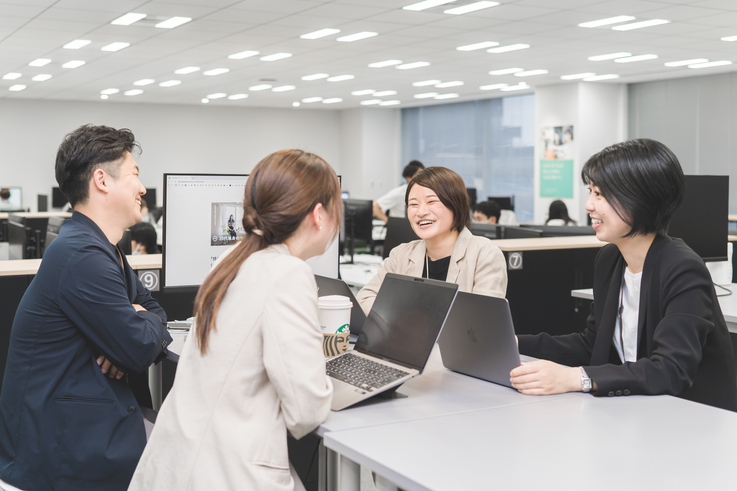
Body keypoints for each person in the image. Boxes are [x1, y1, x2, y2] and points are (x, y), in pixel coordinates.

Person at [129, 149, 338, 491]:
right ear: (318, 215)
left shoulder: (233, 257)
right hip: (224, 471)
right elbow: (306, 412)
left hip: (178, 462)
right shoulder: (288, 272)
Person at [0, 125, 172, 491]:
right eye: (135, 175)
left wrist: (137, 324)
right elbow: (139, 348)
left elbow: (155, 311)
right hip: (64, 449)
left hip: (88, 423)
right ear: (102, 181)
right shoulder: (82, 255)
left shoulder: (102, 248)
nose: (143, 189)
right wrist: (131, 331)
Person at [511, 139, 737, 412]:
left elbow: (671, 369)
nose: (588, 205)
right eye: (591, 192)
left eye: (600, 194)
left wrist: (575, 378)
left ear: (640, 198)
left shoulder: (683, 268)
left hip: (690, 417)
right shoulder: (611, 259)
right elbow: (592, 344)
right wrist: (514, 344)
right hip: (638, 408)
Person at [358, 166, 507, 313]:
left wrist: (406, 317)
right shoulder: (401, 254)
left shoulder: (484, 254)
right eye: (413, 204)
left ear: (456, 204)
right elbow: (364, 299)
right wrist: (407, 318)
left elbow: (481, 319)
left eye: (431, 202)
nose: (421, 212)